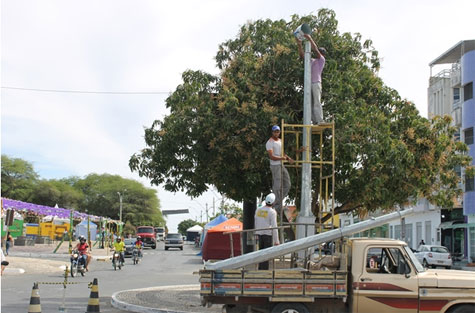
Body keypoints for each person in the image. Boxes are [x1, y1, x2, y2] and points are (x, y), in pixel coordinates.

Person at [296, 33, 327, 124]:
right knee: (310, 103)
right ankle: (314, 120)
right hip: (309, 83)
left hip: (316, 82)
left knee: (317, 102)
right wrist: (299, 44)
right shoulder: (312, 61)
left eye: (321, 52)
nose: (319, 53)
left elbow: (315, 50)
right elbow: (302, 56)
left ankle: (319, 120)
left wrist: (309, 38)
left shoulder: (321, 60)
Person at [266, 125, 295, 213]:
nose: (276, 133)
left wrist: (288, 158)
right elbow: (271, 156)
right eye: (275, 131)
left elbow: (282, 153)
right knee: (277, 185)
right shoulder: (270, 142)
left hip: (281, 165)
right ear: (272, 132)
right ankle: (276, 203)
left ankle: (277, 202)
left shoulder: (280, 141)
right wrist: (282, 158)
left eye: (278, 131)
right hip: (275, 165)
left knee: (287, 184)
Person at [254, 193, 280, 270]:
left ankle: (260, 269)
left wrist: (256, 233)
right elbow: (274, 227)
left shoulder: (258, 210)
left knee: (260, 253)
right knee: (266, 255)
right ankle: (264, 272)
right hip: (267, 235)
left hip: (259, 234)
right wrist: (276, 241)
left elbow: (256, 222)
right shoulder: (272, 212)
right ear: (273, 202)